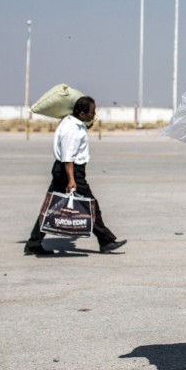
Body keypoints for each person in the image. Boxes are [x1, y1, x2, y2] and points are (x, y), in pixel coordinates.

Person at [25, 96, 126, 255]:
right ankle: (105, 241)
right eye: (92, 112)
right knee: (90, 205)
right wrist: (72, 179)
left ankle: (33, 244)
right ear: (81, 113)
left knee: (52, 206)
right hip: (70, 171)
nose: (94, 114)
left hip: (66, 170)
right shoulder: (71, 129)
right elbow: (67, 157)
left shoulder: (73, 122)